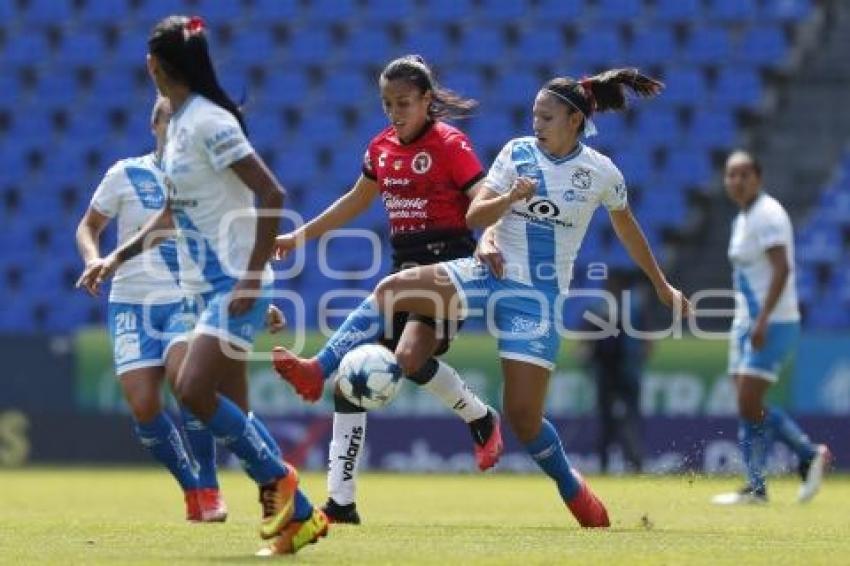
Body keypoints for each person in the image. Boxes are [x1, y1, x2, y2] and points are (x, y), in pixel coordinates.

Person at [275, 67, 691, 528]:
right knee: (391, 289)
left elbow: (627, 227)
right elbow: (475, 212)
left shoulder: (600, 173)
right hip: (485, 272)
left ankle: (574, 492)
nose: (536, 122)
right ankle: (319, 368)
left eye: (547, 116)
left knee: (525, 419)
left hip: (537, 298)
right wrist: (505, 208)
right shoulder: (516, 153)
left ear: (574, 120)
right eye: (534, 114)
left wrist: (660, 284)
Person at [75, 15, 327, 555]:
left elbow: (272, 193)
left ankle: (284, 484)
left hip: (230, 283)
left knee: (192, 391)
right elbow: (169, 215)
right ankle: (299, 520)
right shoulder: (180, 130)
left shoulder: (210, 123)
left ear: (155, 66)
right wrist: (115, 257)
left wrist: (253, 278)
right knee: (231, 411)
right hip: (201, 287)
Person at [272, 55, 503, 524]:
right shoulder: (380, 148)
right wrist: (301, 236)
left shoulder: (450, 143)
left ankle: (318, 366)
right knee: (387, 371)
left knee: (389, 347)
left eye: (404, 103)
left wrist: (491, 240)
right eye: (387, 104)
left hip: (449, 267)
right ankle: (342, 502)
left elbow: (481, 195)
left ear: (426, 101)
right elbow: (354, 201)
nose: (395, 112)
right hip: (407, 263)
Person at [75, 96, 230, 522]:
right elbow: (89, 226)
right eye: (169, 120)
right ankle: (192, 487)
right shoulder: (125, 173)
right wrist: (93, 259)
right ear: (154, 125)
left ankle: (211, 485)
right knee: (143, 405)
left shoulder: (201, 178)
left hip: (182, 297)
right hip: (129, 301)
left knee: (188, 385)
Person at [711, 150, 831, 505]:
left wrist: (761, 319)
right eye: (730, 175)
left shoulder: (768, 214)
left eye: (743, 174)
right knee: (746, 403)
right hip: (746, 322)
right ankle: (756, 486)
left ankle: (808, 453)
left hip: (774, 320)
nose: (736, 181)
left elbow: (782, 269)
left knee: (750, 401)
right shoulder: (743, 219)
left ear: (758, 178)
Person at [578, 270, 649, 473]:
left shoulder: (626, 308)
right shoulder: (616, 308)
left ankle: (629, 462)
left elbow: (583, 343)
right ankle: (616, 462)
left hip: (622, 370)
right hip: (611, 371)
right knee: (612, 420)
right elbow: (584, 341)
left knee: (625, 419)